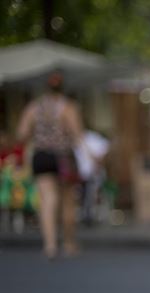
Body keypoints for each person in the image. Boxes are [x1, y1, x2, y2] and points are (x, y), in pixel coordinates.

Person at [17, 72, 83, 259]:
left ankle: (50, 245)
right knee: (68, 201)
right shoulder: (68, 107)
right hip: (63, 157)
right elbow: (78, 134)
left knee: (47, 200)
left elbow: (22, 133)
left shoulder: (34, 107)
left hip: (41, 156)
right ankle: (69, 243)